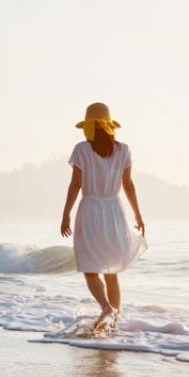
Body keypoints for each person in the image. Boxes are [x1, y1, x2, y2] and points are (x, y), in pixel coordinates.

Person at [59, 102, 147, 333]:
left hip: (89, 210)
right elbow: (128, 185)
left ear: (89, 126)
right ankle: (113, 324)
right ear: (109, 126)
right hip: (115, 211)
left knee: (90, 268)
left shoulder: (81, 150)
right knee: (111, 271)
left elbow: (75, 184)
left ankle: (107, 308)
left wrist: (66, 213)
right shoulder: (123, 150)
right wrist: (138, 215)